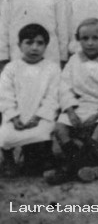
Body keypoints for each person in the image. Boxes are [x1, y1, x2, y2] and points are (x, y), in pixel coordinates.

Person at [48, 18, 98, 184]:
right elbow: (64, 87)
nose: (90, 43)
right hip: (78, 106)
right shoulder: (74, 60)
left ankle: (69, 168)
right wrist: (70, 112)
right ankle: (83, 165)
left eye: (95, 38)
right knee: (60, 128)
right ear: (78, 39)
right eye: (85, 38)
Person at [0, 24, 60, 178]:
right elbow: (5, 95)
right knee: (5, 136)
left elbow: (52, 96)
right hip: (17, 117)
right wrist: (14, 117)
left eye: (40, 43)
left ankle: (43, 156)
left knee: (44, 132)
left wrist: (38, 117)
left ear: (46, 46)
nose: (34, 48)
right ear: (19, 45)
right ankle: (9, 160)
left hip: (40, 117)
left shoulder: (52, 68)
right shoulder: (11, 68)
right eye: (29, 42)